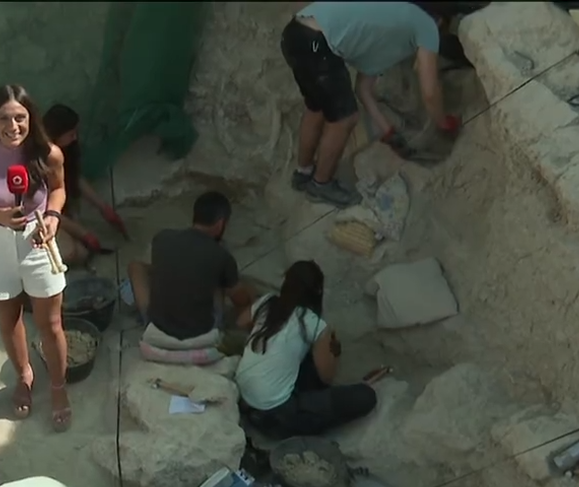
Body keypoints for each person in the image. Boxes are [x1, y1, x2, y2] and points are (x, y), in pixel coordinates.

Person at [0, 84, 72, 431]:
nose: (13, 126)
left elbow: (59, 189)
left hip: (38, 241)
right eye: (4, 118)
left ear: (30, 118)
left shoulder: (48, 153)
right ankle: (24, 376)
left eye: (20, 117)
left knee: (50, 324)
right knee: (9, 320)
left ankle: (58, 387)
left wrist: (52, 217)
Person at [280, 2, 460, 208]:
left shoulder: (386, 24)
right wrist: (443, 123)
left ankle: (303, 173)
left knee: (316, 108)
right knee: (344, 119)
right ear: (439, 20)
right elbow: (430, 92)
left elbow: (363, 90)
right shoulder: (427, 24)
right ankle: (320, 185)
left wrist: (388, 132)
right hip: (318, 42)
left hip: (295, 34)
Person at [235, 260, 376, 438]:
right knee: (365, 396)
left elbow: (241, 321)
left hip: (244, 398)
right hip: (277, 415)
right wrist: (334, 352)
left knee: (304, 361)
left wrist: (266, 332)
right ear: (317, 291)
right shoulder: (313, 323)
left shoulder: (267, 302)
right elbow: (326, 377)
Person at [126, 191, 255, 348]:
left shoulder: (162, 238)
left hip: (157, 327)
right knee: (226, 283)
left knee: (136, 267)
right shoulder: (222, 255)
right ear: (221, 224)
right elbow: (240, 299)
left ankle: (148, 318)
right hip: (201, 335)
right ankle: (248, 333)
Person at [42, 103, 127, 264]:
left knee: (83, 248)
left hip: (58, 213)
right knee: (76, 253)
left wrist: (104, 208)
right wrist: (83, 233)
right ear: (56, 134)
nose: (75, 137)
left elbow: (75, 178)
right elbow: (47, 209)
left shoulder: (66, 150)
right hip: (40, 215)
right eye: (71, 133)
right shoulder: (41, 159)